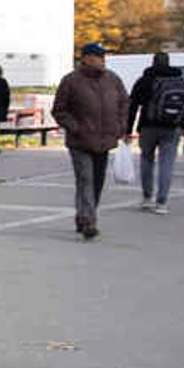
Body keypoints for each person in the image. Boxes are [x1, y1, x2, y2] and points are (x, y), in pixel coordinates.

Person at [52, 42, 129, 239]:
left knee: (97, 182)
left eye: (103, 57)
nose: (102, 60)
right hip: (81, 141)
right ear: (86, 58)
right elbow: (59, 110)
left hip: (105, 140)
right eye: (98, 56)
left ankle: (84, 215)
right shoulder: (71, 81)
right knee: (85, 179)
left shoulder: (112, 80)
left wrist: (121, 126)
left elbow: (123, 103)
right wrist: (75, 127)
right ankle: (89, 221)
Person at [127, 52, 184, 215]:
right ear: (168, 63)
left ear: (153, 63)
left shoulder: (144, 81)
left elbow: (132, 107)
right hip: (172, 128)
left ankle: (147, 198)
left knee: (147, 160)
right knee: (167, 165)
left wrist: (127, 130)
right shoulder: (180, 82)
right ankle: (162, 203)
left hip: (148, 127)